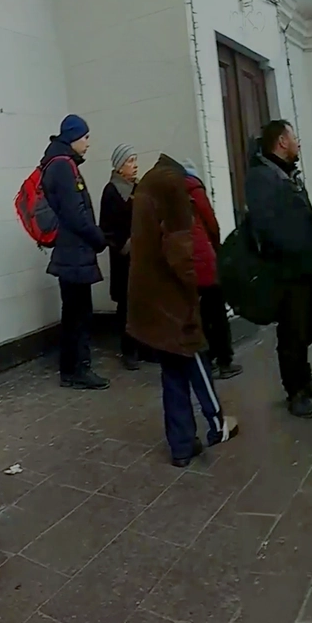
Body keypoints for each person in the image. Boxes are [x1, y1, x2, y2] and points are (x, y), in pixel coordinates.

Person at [130, 154, 238, 466]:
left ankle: (181, 445)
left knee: (172, 369)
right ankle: (216, 423)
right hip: (174, 297)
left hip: (151, 297)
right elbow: (179, 246)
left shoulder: (149, 182)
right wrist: (195, 284)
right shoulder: (172, 185)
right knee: (196, 354)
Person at [245, 120, 312, 417]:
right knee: (291, 333)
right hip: (284, 270)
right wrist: (298, 247)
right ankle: (295, 392)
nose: (298, 143)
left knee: (303, 329)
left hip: (300, 267)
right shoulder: (262, 177)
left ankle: (305, 381)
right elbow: (268, 226)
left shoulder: (284, 173)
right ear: (281, 141)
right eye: (294, 137)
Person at [40, 115, 110, 390]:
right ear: (73, 137)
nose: (88, 143)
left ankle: (72, 369)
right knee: (79, 314)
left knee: (74, 312)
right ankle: (78, 370)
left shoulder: (59, 164)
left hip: (71, 252)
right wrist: (99, 238)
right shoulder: (63, 167)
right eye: (86, 137)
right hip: (74, 252)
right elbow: (75, 214)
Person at [177, 160, 241, 380]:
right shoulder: (195, 189)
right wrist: (216, 247)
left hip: (185, 264)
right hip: (205, 261)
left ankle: (205, 360)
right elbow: (211, 223)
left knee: (199, 314)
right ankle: (225, 361)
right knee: (217, 313)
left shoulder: (170, 196)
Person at [99, 144, 142, 371]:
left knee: (142, 301)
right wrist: (126, 245)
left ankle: (144, 346)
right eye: (130, 161)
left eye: (135, 160)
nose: (134, 165)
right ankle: (129, 350)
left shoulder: (140, 187)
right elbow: (107, 227)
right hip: (125, 258)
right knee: (127, 303)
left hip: (143, 256)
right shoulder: (112, 191)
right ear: (119, 165)